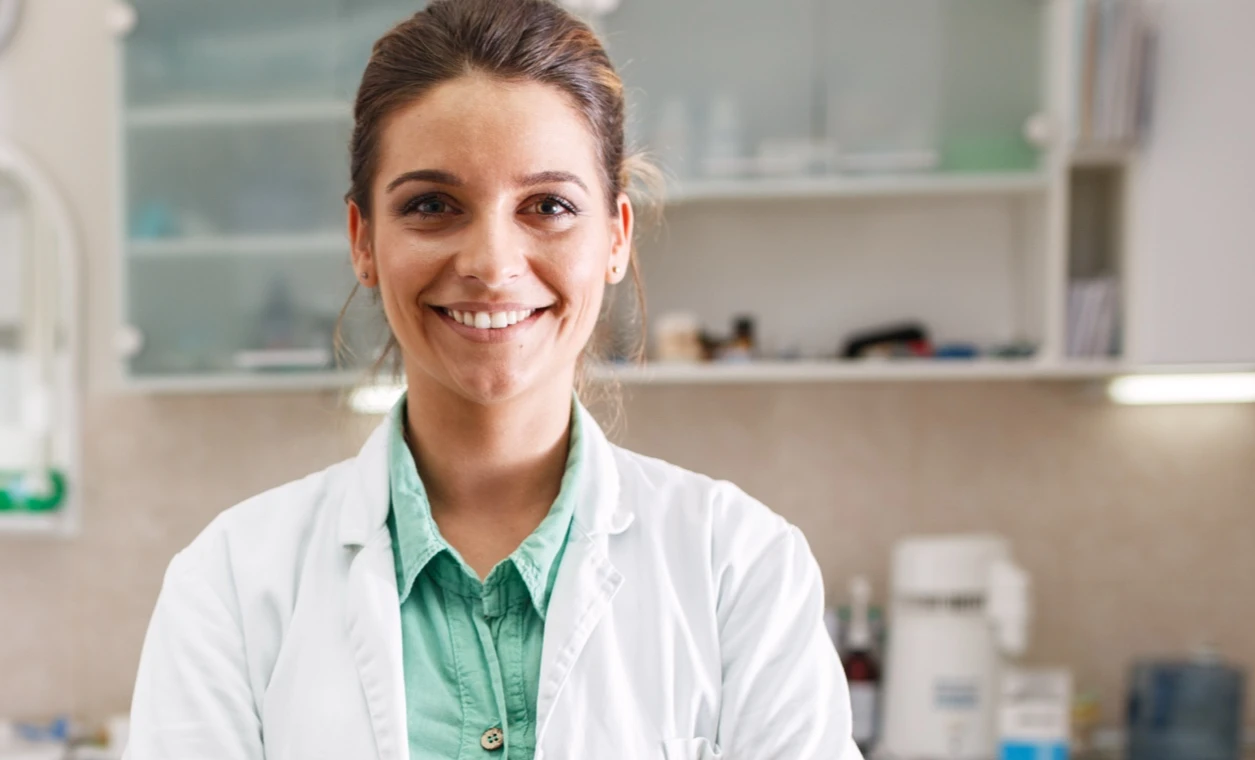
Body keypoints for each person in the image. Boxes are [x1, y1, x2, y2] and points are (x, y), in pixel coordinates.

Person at [126, 1, 855, 757]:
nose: (492, 263)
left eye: (548, 205)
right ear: (363, 240)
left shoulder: (740, 568)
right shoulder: (233, 583)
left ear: (615, 238)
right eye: (433, 205)